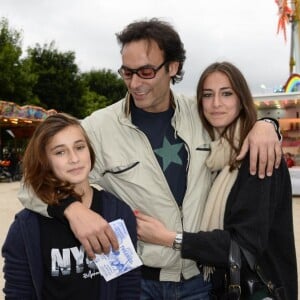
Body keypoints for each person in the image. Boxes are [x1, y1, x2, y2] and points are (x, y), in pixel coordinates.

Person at [18, 19, 282, 299]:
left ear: (173, 67)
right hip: (137, 283)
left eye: (145, 72)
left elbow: (240, 123)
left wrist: (267, 125)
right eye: (127, 72)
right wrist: (73, 210)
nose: (135, 83)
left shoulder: (202, 113)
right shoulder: (98, 128)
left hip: (203, 282)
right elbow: (31, 182)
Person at [135, 62, 298, 299]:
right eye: (207, 95)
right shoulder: (214, 155)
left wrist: (168, 238)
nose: (216, 104)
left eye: (227, 93)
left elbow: (243, 245)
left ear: (242, 99)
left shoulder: (258, 156)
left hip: (257, 288)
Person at [2, 113, 141, 300]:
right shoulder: (26, 227)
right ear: (45, 161)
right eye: (60, 152)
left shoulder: (116, 212)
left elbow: (127, 287)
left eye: (80, 147)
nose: (74, 158)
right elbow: (18, 293)